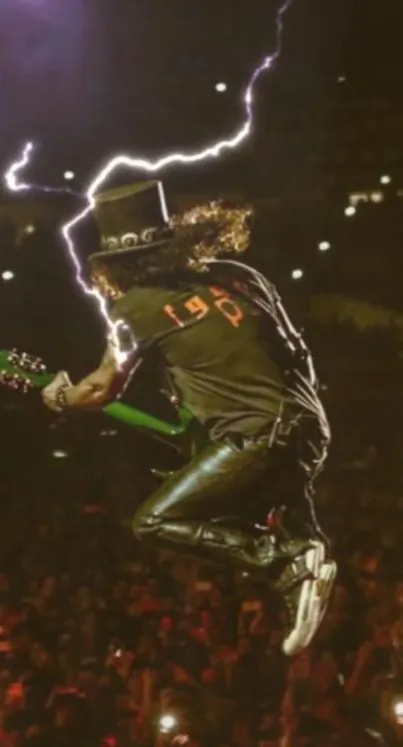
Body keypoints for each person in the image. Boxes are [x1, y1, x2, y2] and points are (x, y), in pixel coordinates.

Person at [42, 179, 336, 655]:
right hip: (309, 427)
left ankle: (283, 559)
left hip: (255, 438)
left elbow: (101, 388)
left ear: (115, 263)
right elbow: (296, 354)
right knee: (236, 504)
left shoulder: (133, 308)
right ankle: (301, 554)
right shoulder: (239, 275)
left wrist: (61, 397)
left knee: (154, 521)